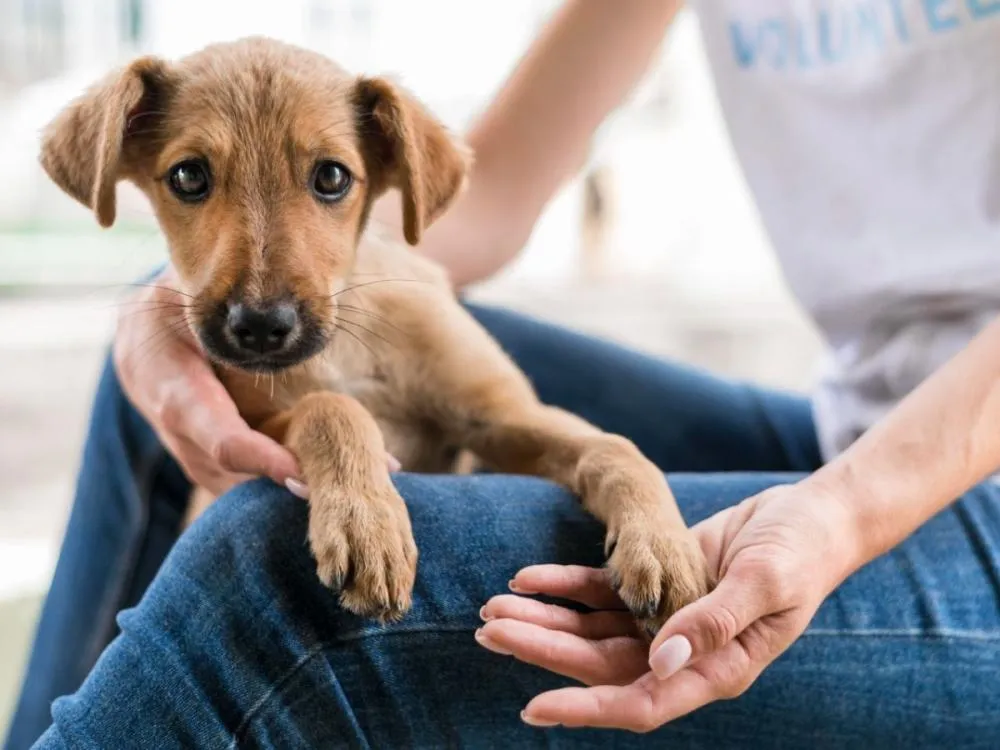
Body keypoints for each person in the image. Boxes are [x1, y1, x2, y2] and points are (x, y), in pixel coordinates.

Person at [7, 0, 1000, 747]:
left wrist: (843, 512)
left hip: (959, 488)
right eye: (190, 178)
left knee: (268, 564)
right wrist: (154, 305)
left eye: (327, 180)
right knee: (160, 354)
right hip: (853, 420)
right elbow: (483, 204)